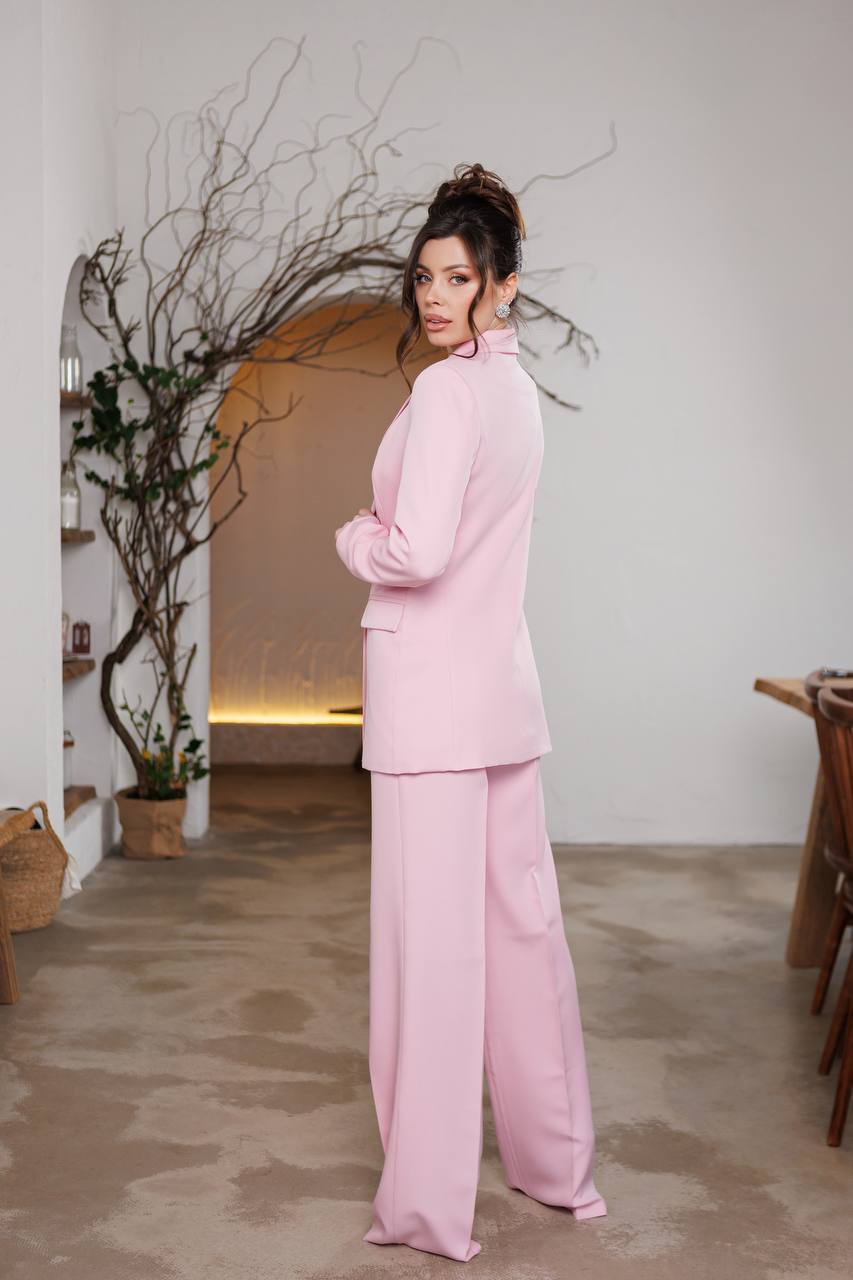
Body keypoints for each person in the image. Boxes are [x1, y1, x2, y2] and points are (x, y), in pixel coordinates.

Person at [334, 163, 607, 1263]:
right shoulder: (515, 390)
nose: (433, 296)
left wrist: (354, 534)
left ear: (498, 284)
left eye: (456, 277)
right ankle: (558, 1170)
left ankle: (426, 1204)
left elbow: (417, 549)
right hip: (497, 699)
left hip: (429, 710)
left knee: (429, 957)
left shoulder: (447, 391)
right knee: (521, 939)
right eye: (423, 277)